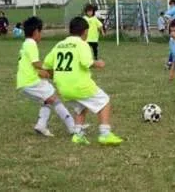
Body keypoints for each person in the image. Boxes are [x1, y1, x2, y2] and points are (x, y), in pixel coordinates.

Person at [43, 17, 123, 145]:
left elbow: (46, 65)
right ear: (85, 31)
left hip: (63, 88)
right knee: (105, 102)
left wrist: (58, 76)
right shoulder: (82, 44)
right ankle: (105, 134)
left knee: (81, 107)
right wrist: (99, 63)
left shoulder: (59, 45)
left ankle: (78, 134)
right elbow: (87, 63)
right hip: (79, 85)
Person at [16, 17, 74, 136]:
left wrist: (43, 73)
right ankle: (73, 127)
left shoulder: (25, 44)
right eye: (41, 32)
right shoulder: (31, 44)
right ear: (36, 32)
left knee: (47, 100)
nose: (41, 35)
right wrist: (51, 70)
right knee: (54, 98)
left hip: (24, 82)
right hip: (31, 81)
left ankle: (41, 125)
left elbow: (28, 66)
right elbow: (36, 63)